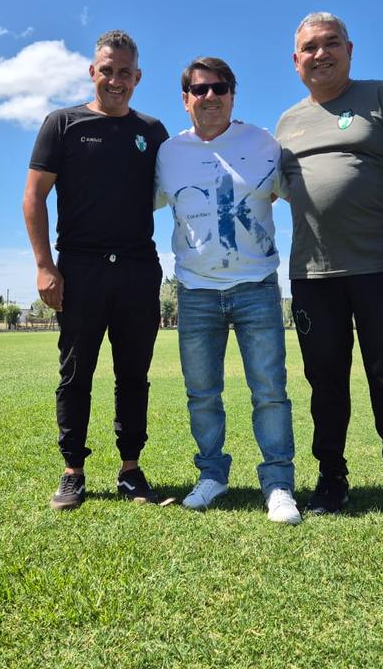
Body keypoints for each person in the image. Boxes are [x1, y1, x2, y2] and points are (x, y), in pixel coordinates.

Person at [275, 12, 383, 529]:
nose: (320, 54)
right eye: (309, 48)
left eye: (331, 44)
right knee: (324, 382)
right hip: (311, 274)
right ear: (295, 59)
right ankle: (331, 480)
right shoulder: (286, 123)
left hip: (382, 269)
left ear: (350, 49)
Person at [22, 30, 169, 510]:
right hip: (80, 269)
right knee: (76, 373)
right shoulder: (62, 124)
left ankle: (130, 471)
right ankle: (73, 472)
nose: (115, 80)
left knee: (134, 373)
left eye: (125, 72)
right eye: (107, 70)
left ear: (138, 77)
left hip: (137, 268)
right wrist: (45, 266)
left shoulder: (152, 132)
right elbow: (33, 197)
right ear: (92, 71)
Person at [155, 57, 300, 525]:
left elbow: (289, 191)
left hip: (257, 287)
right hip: (195, 292)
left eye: (219, 88)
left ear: (233, 94)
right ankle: (212, 475)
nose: (209, 97)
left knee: (270, 392)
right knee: (201, 394)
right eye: (199, 90)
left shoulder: (263, 143)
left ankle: (278, 484)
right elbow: (137, 201)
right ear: (185, 99)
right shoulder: (167, 153)